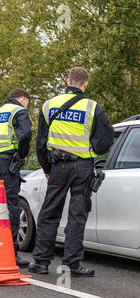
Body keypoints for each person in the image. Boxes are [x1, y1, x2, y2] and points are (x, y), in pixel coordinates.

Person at [29, 67, 114, 277]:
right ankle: (72, 265)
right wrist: (92, 150)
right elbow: (107, 138)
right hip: (83, 167)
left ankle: (40, 262)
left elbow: (40, 143)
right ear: (86, 84)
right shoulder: (93, 107)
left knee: (49, 213)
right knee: (77, 215)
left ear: (68, 81)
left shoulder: (49, 105)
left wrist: (47, 168)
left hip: (58, 165)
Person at [0, 88, 32, 268]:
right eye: (28, 102)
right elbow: (25, 135)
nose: (27, 106)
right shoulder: (18, 111)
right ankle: (12, 252)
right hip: (6, 164)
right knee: (11, 206)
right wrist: (21, 156)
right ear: (22, 98)